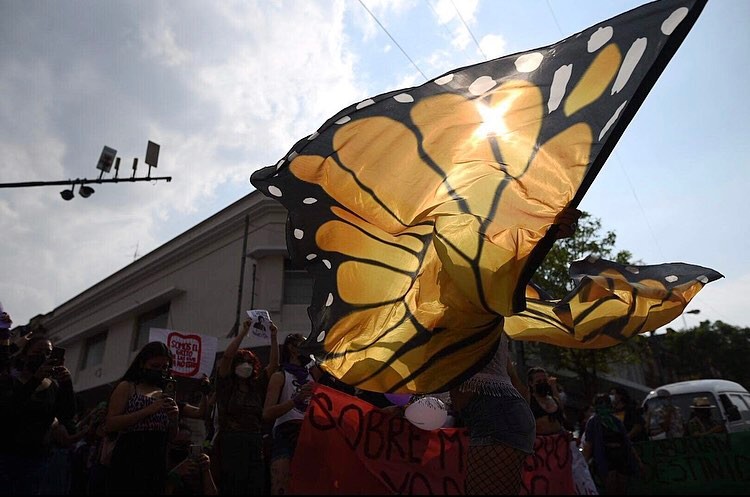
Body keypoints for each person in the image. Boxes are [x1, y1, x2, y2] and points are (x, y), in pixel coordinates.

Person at [449, 207, 580, 495]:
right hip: (501, 415)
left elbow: (518, 264)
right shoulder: (460, 307)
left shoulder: (480, 295)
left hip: (498, 417)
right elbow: (513, 379)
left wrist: (550, 234)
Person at [0, 334, 76, 495]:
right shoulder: (10, 380)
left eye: (48, 352)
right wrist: (35, 379)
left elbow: (66, 415)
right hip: (6, 454)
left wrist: (66, 384)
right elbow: (9, 409)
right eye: (38, 351)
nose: (44, 356)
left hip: (37, 458)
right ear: (25, 355)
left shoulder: (52, 387)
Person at [104, 341, 180, 495]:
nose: (160, 371)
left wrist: (174, 418)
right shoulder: (128, 386)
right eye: (154, 366)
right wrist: (148, 410)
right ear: (142, 364)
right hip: (130, 455)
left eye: (164, 368)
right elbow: (111, 424)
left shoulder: (164, 392)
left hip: (156, 458)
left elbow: (172, 436)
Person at [213, 318, 278, 495]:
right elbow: (227, 356)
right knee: (233, 484)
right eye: (242, 362)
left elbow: (273, 366)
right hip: (232, 441)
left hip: (254, 441)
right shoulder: (226, 385)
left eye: (250, 363)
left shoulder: (256, 387)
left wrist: (274, 337)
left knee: (255, 485)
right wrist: (243, 332)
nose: (246, 366)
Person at [263, 333, 314, 495]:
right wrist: (295, 400)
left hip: (309, 435)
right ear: (292, 348)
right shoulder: (280, 376)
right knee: (281, 485)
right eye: (303, 344)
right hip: (286, 434)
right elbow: (267, 413)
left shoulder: (312, 376)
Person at [521, 367, 575, 495]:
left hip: (559, 451)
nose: (542, 383)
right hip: (539, 452)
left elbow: (561, 416)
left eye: (544, 380)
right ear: (531, 383)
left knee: (559, 483)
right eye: (538, 381)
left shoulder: (554, 399)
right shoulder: (528, 399)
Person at [581, 393, 642, 495]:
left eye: (605, 403)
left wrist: (638, 461)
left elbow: (626, 442)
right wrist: (583, 464)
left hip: (621, 456)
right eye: (600, 404)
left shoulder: (616, 421)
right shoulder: (593, 422)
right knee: (611, 487)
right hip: (605, 457)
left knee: (622, 486)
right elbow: (589, 444)